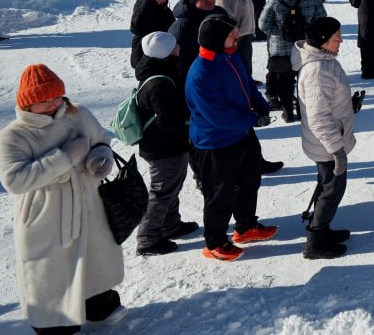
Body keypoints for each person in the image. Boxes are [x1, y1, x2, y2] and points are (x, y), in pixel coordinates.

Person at [0, 64, 124, 331]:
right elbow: (15, 180)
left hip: (88, 202)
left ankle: (99, 305)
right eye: (44, 100)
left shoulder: (79, 114)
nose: (53, 103)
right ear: (28, 103)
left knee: (94, 257)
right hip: (46, 213)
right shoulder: (12, 136)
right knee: (50, 272)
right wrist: (64, 157)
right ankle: (54, 326)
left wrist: (100, 156)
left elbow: (102, 139)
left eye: (56, 96)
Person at [185, 16, 278, 260]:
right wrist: (251, 118)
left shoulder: (230, 56)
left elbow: (247, 84)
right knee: (220, 194)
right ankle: (215, 242)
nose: (237, 37)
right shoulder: (201, 73)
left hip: (241, 134)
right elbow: (216, 116)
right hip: (215, 142)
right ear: (216, 39)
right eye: (231, 35)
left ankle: (245, 227)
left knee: (249, 181)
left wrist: (261, 106)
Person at [295, 16, 357, 258]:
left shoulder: (324, 60)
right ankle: (316, 242)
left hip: (328, 140)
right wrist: (337, 150)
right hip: (327, 145)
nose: (341, 41)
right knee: (332, 189)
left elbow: (326, 103)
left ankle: (323, 229)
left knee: (328, 186)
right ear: (322, 41)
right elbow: (318, 118)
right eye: (336, 38)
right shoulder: (317, 70)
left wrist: (346, 104)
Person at [133, 31, 197, 256]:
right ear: (166, 52)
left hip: (164, 145)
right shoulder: (159, 83)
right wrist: (190, 132)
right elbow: (168, 121)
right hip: (164, 147)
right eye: (174, 45)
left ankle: (170, 224)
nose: (179, 46)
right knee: (162, 192)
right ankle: (147, 238)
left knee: (171, 186)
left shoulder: (158, 70)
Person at [258, 0, 328, 122]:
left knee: (284, 82)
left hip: (280, 49)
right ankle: (303, 112)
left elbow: (263, 25)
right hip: (305, 47)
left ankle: (287, 112)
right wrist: (308, 32)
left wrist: (281, 33)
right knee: (305, 82)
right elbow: (322, 19)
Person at [216, 0, 257, 74]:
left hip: (245, 33)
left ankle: (247, 79)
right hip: (236, 36)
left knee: (246, 62)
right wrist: (233, 33)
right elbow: (224, 16)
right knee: (238, 64)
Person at [130, 0, 174, 69]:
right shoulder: (142, 7)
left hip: (160, 47)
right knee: (146, 70)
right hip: (143, 49)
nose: (165, 0)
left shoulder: (163, 8)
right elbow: (135, 28)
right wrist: (148, 4)